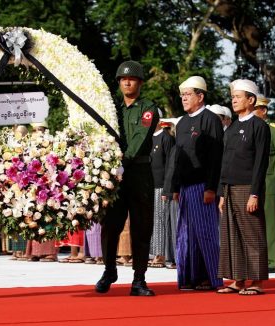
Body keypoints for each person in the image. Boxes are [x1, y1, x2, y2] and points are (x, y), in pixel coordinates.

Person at [95, 60, 158, 296]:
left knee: (141, 227)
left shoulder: (148, 108)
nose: (126, 82)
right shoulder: (113, 109)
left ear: (139, 83)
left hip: (138, 173)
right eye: (122, 79)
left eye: (131, 79)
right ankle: (109, 270)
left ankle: (138, 280)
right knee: (109, 226)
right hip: (115, 175)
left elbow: (140, 138)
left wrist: (122, 162)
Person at [170, 76, 224, 290]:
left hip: (203, 185)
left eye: (188, 95)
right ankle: (190, 277)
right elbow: (177, 157)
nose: (183, 99)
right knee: (186, 235)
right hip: (184, 186)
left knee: (206, 233)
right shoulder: (182, 122)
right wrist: (175, 187)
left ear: (200, 96)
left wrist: (211, 187)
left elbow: (215, 157)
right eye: (182, 95)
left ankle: (212, 278)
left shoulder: (210, 120)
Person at [217, 79, 270, 295]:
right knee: (232, 236)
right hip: (229, 188)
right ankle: (237, 279)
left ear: (251, 99)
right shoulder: (231, 128)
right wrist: (221, 192)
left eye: (238, 96)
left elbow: (260, 162)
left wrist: (255, 193)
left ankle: (256, 280)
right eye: (233, 97)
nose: (234, 100)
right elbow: (224, 161)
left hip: (248, 188)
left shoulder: (259, 126)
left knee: (252, 235)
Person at [253, 95, 275, 273]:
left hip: (270, 183)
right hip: (253, 184)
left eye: (254, 108)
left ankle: (274, 260)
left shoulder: (274, 131)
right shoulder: (250, 129)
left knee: (271, 224)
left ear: (263, 111)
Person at [149, 120, 175, 268]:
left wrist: (167, 187)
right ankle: (153, 252)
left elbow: (170, 164)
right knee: (152, 220)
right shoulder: (148, 138)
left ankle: (162, 254)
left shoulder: (166, 138)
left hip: (162, 186)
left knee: (161, 220)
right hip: (150, 185)